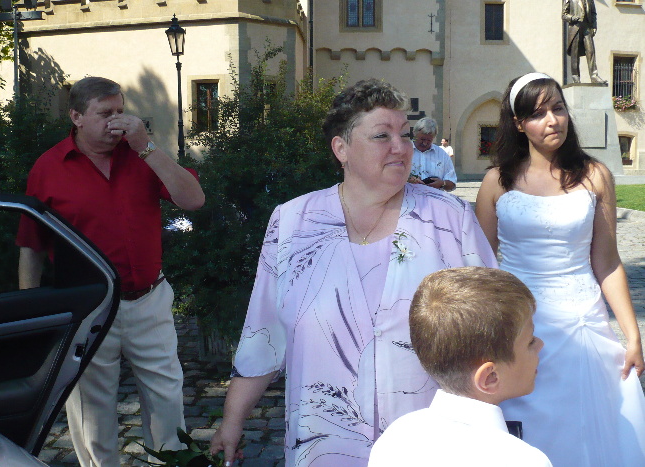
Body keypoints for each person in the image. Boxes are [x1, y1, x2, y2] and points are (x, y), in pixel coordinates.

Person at [209, 79, 496, 466]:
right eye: (382, 135)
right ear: (341, 149)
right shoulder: (293, 223)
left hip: (426, 445)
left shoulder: (450, 220)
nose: (401, 146)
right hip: (324, 446)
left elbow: (493, 332)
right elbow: (264, 335)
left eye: (405, 134)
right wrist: (232, 421)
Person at [16, 76, 205, 466]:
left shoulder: (141, 156)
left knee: (167, 398)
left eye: (120, 111)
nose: (116, 121)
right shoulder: (49, 167)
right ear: (77, 117)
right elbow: (31, 245)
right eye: (105, 113)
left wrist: (147, 147)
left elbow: (193, 200)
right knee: (92, 411)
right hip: (89, 306)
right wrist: (31, 312)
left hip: (148, 298)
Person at [475, 72, 645, 466]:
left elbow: (607, 262)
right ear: (518, 124)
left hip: (582, 321)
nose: (553, 121)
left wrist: (633, 335)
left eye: (558, 108)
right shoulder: (497, 182)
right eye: (538, 114)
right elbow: (481, 267)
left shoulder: (594, 176)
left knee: (590, 426)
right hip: (519, 324)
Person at [368, 267, 552, 467]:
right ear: (490, 378)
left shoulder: (396, 437)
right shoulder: (523, 460)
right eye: (530, 342)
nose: (540, 345)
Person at [562, 0, 606, 84]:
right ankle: (575, 76)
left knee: (590, 51)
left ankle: (594, 76)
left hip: (587, 27)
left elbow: (593, 13)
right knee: (575, 53)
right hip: (575, 28)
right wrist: (572, 18)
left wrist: (594, 26)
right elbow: (564, 15)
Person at [408, 117, 457, 191]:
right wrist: (407, 180)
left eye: (429, 140)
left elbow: (452, 184)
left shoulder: (442, 155)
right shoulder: (403, 151)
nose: (425, 143)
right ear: (414, 133)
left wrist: (442, 183)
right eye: (422, 139)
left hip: (434, 196)